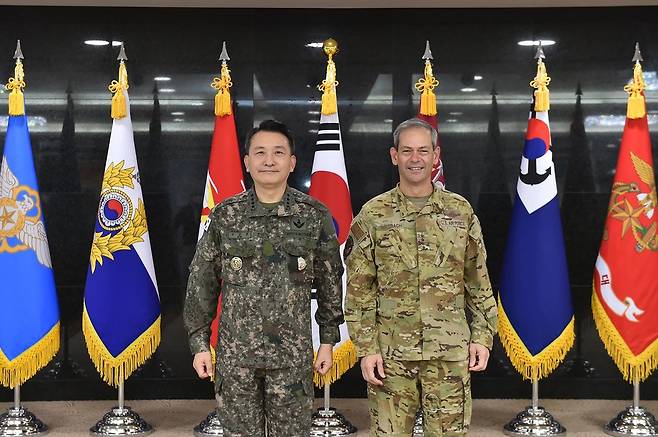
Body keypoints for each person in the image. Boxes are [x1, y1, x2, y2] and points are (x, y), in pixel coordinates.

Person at [184, 119, 344, 437]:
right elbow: (202, 281)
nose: (269, 161)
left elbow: (330, 280)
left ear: (292, 162)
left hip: (292, 358)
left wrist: (327, 341)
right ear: (247, 162)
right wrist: (200, 343)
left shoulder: (313, 215)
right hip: (236, 358)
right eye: (260, 153)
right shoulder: (226, 215)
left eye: (278, 153)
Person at [344, 118, 498, 437]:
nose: (415, 159)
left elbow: (478, 280)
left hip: (448, 353)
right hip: (391, 356)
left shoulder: (460, 212)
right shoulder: (373, 214)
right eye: (407, 151)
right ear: (394, 155)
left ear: (435, 155)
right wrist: (366, 348)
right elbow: (359, 290)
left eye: (423, 151)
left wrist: (483, 336)